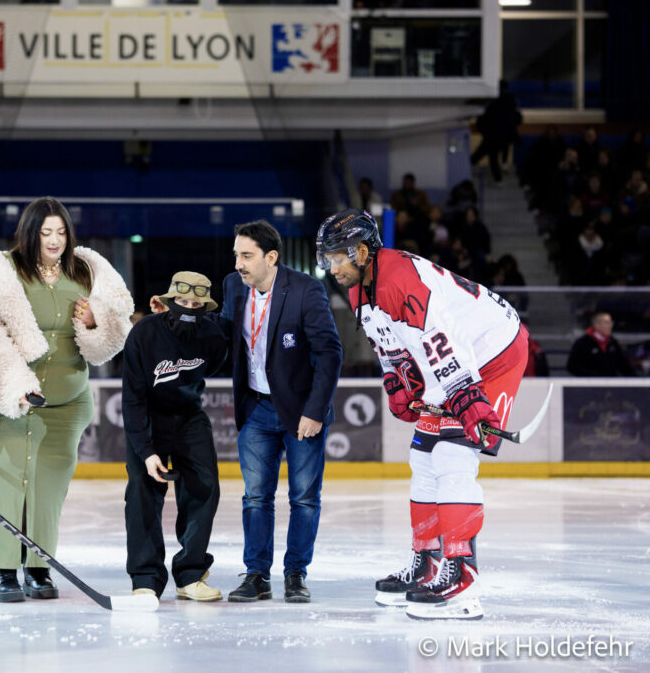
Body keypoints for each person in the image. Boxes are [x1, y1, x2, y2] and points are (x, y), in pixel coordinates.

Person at [316, 209, 529, 620]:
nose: (332, 267)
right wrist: (398, 380)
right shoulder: (361, 285)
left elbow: (439, 337)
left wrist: (466, 397)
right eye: (328, 259)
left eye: (338, 257)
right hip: (459, 358)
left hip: (495, 353)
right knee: (424, 456)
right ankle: (429, 562)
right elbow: (389, 343)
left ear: (362, 251)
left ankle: (462, 578)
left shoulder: (399, 277)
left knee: (452, 457)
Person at [0, 196, 132, 603]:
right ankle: (2, 570)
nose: (54, 240)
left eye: (61, 232)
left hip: (64, 404)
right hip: (0, 399)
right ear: (29, 233)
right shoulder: (1, 272)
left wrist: (95, 322)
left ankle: (37, 567)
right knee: (9, 480)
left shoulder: (84, 271)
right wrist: (14, 386)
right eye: (46, 231)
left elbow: (111, 335)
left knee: (48, 487)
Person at [161, 220, 341, 603]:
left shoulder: (306, 290)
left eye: (247, 256)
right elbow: (221, 334)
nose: (239, 264)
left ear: (270, 257)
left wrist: (315, 410)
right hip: (256, 409)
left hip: (301, 412)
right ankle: (257, 574)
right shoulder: (232, 286)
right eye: (236, 255)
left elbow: (330, 353)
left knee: (304, 499)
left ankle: (296, 574)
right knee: (256, 497)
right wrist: (175, 319)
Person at [122, 272, 228, 602]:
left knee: (204, 486)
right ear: (169, 302)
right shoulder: (144, 334)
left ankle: (191, 574)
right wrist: (146, 450)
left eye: (197, 304)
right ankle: (145, 579)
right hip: (148, 417)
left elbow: (215, 365)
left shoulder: (213, 335)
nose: (189, 308)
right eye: (182, 302)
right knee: (142, 494)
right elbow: (132, 398)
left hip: (189, 417)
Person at [470, 80, 521, 185]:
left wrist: (483, 129)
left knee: (487, 154)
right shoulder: (511, 101)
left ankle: (470, 167)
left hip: (492, 135)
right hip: (502, 135)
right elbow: (518, 118)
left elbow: (484, 117)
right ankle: (499, 175)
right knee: (492, 155)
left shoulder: (492, 101)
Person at [566, 312, 637, 377]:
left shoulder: (612, 342)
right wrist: (592, 377)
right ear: (597, 325)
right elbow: (572, 366)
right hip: (588, 386)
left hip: (611, 385)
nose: (611, 325)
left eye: (611, 322)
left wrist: (637, 379)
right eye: (607, 322)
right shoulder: (583, 343)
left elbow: (623, 364)